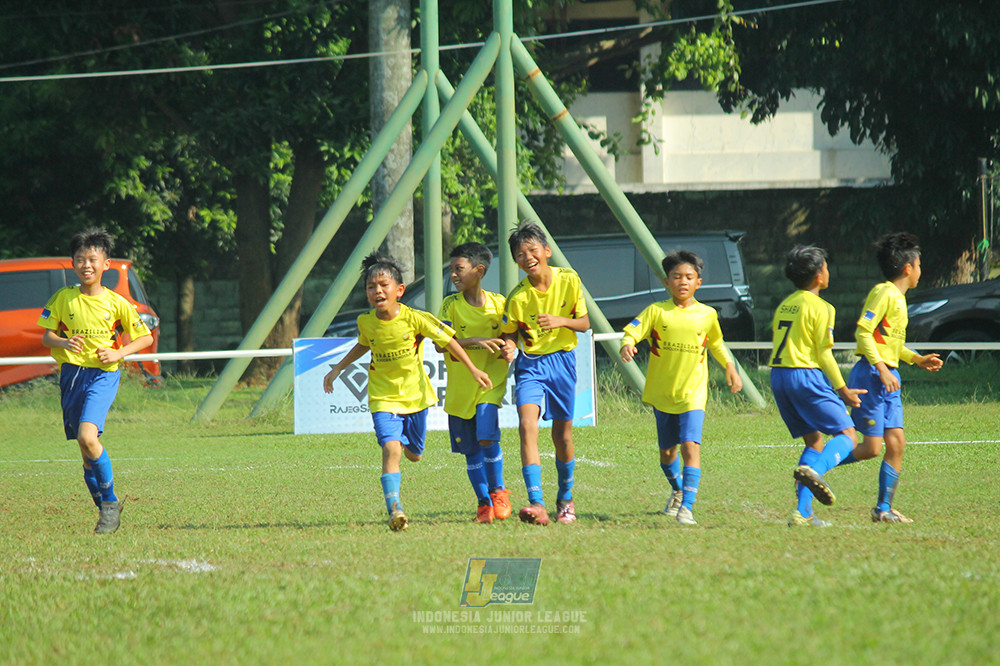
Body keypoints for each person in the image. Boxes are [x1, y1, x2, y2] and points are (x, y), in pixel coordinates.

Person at [323, 251, 492, 532]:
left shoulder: (416, 319)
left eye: (384, 285)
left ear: (400, 290)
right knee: (391, 449)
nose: (378, 291)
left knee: (414, 454)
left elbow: (449, 341)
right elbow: (364, 343)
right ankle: (395, 509)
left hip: (415, 398)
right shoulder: (366, 322)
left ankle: (407, 445)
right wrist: (338, 368)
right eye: (371, 287)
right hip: (382, 397)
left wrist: (473, 369)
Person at [38, 228, 153, 534]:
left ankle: (111, 503)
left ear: (106, 264)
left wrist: (118, 353)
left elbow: (144, 338)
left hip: (103, 375)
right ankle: (104, 507)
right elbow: (47, 336)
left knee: (88, 437)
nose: (86, 265)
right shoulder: (64, 298)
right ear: (73, 263)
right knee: (84, 448)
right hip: (72, 376)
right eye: (80, 259)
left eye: (92, 259)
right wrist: (64, 342)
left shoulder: (117, 303)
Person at [620, 250, 743, 526]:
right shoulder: (657, 311)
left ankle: (686, 507)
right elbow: (632, 331)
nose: (683, 281)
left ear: (699, 282)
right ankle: (677, 489)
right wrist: (627, 344)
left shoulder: (707, 315)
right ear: (667, 282)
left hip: (693, 393)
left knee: (690, 446)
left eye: (689, 277)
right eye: (676, 277)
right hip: (663, 393)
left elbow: (716, 343)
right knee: (667, 454)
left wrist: (730, 367)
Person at [844, 233, 942, 523]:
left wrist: (917, 359)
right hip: (872, 375)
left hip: (889, 376)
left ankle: (883, 509)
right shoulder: (884, 292)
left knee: (897, 442)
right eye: (919, 265)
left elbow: (891, 345)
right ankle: (817, 465)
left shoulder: (899, 299)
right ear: (908, 268)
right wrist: (883, 369)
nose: (921, 270)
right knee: (871, 448)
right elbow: (863, 332)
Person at [767, 245, 866, 527]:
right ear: (819, 275)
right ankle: (816, 471)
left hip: (779, 378)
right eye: (826, 266)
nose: (828, 271)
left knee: (814, 441)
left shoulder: (785, 304)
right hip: (804, 376)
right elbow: (823, 353)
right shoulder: (822, 307)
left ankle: (803, 513)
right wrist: (842, 389)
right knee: (848, 435)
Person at [501, 222, 590, 526]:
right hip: (531, 365)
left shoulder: (569, 279)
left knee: (562, 436)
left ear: (547, 250)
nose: (527, 257)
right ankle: (536, 503)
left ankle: (565, 498)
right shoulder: (517, 298)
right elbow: (510, 332)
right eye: (520, 254)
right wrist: (509, 346)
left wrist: (560, 320)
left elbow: (584, 323)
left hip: (562, 362)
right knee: (527, 426)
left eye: (532, 250)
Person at [437, 242, 517, 524]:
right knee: (471, 450)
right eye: (451, 269)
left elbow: (511, 333)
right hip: (460, 389)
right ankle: (484, 504)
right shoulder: (450, 305)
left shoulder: (499, 303)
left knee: (486, 435)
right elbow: (440, 345)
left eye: (458, 269)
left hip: (489, 383)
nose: (453, 275)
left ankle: (498, 492)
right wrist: (474, 341)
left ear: (479, 271)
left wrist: (511, 346)